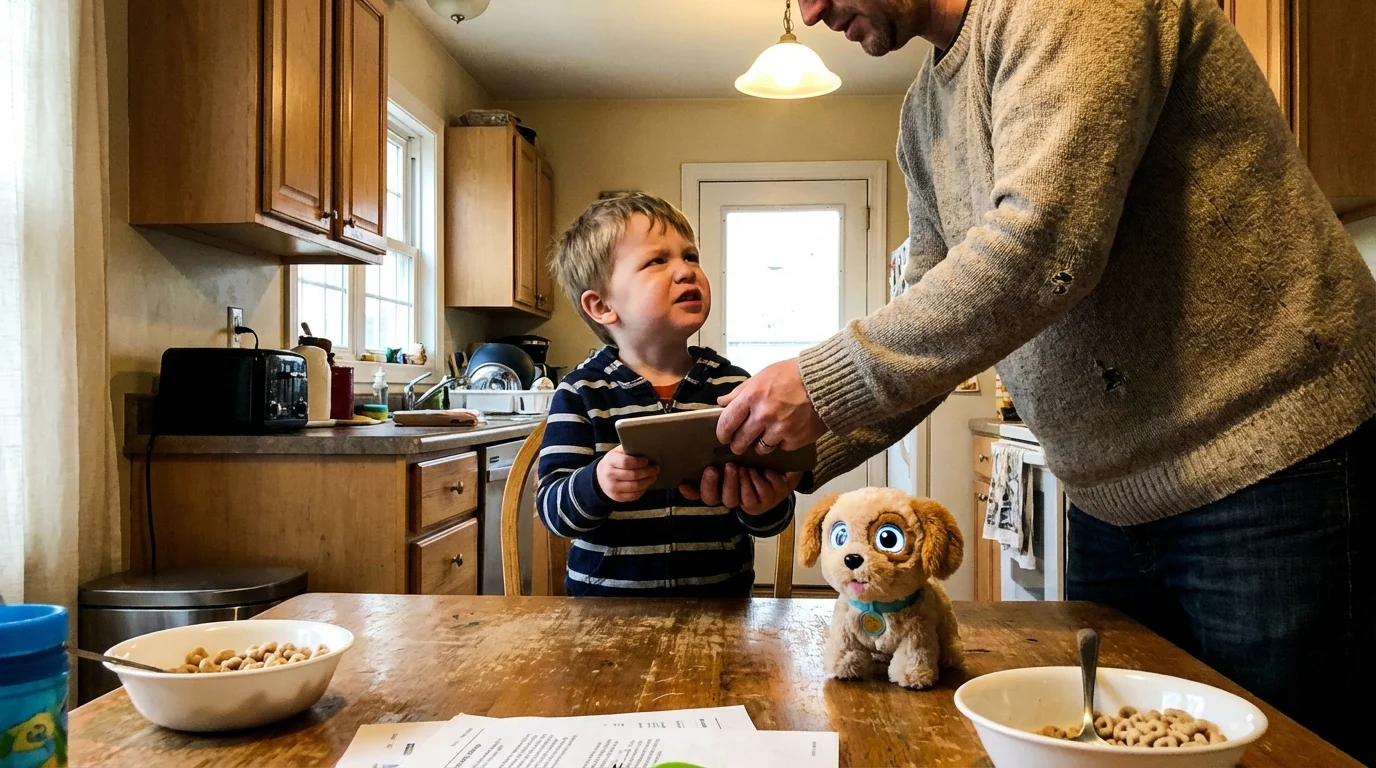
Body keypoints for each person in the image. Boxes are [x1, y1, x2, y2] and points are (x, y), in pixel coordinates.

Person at [689, 0, 1376, 760]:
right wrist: (785, 458)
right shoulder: (924, 114)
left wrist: (819, 386)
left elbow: (1043, 242)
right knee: (1117, 750)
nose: (812, 11)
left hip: (1272, 466)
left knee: (1284, 753)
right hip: (1109, 497)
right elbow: (931, 312)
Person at [536, 193, 801, 597]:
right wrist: (597, 482)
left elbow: (767, 521)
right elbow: (553, 513)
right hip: (605, 619)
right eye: (657, 261)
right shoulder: (581, 392)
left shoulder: (735, 388)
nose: (686, 271)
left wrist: (765, 504)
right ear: (602, 305)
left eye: (690, 256)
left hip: (720, 609)